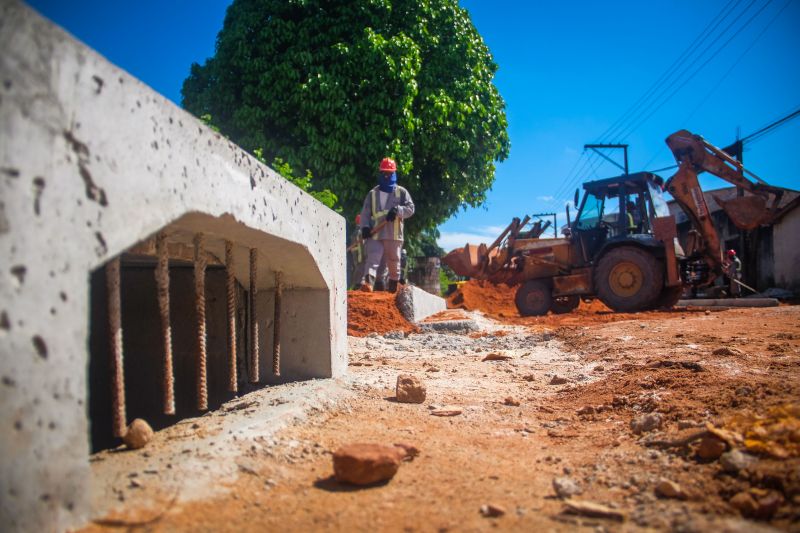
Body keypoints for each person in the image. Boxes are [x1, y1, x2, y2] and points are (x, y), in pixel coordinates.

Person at [358, 157, 415, 293]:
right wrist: (365, 227)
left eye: (389, 173)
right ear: (380, 173)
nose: (387, 175)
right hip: (375, 234)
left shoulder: (401, 192)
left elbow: (411, 209)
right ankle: (368, 283)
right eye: (384, 173)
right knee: (372, 258)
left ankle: (393, 288)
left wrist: (398, 210)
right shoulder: (372, 194)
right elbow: (365, 213)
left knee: (393, 261)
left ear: (394, 173)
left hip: (393, 235)